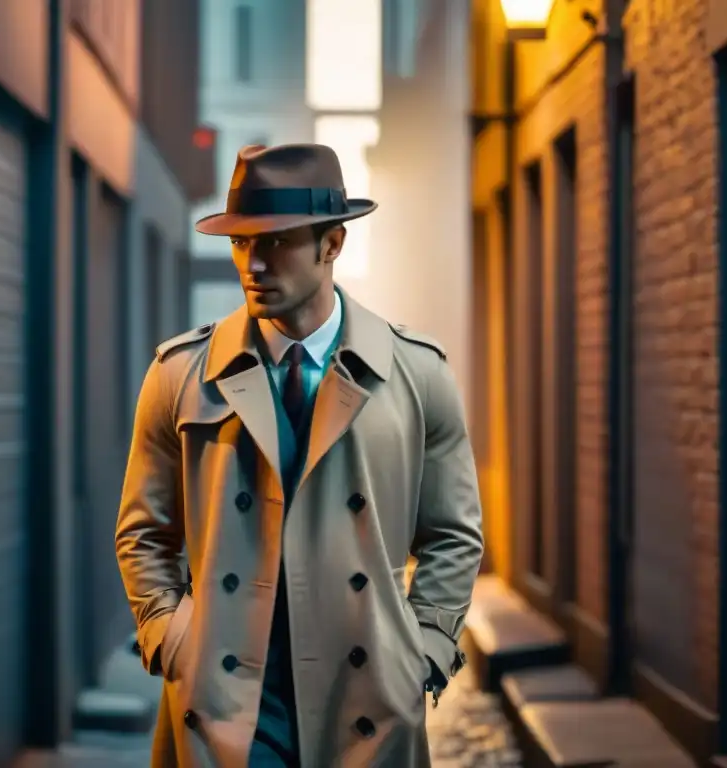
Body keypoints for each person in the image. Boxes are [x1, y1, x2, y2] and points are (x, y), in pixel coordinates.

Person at [115, 143, 484, 767]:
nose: (252, 263)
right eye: (240, 243)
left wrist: (422, 650)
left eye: (276, 241)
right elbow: (143, 533)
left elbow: (453, 535)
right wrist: (171, 637)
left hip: (366, 694)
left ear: (331, 245)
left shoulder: (416, 374)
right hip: (226, 697)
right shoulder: (180, 375)